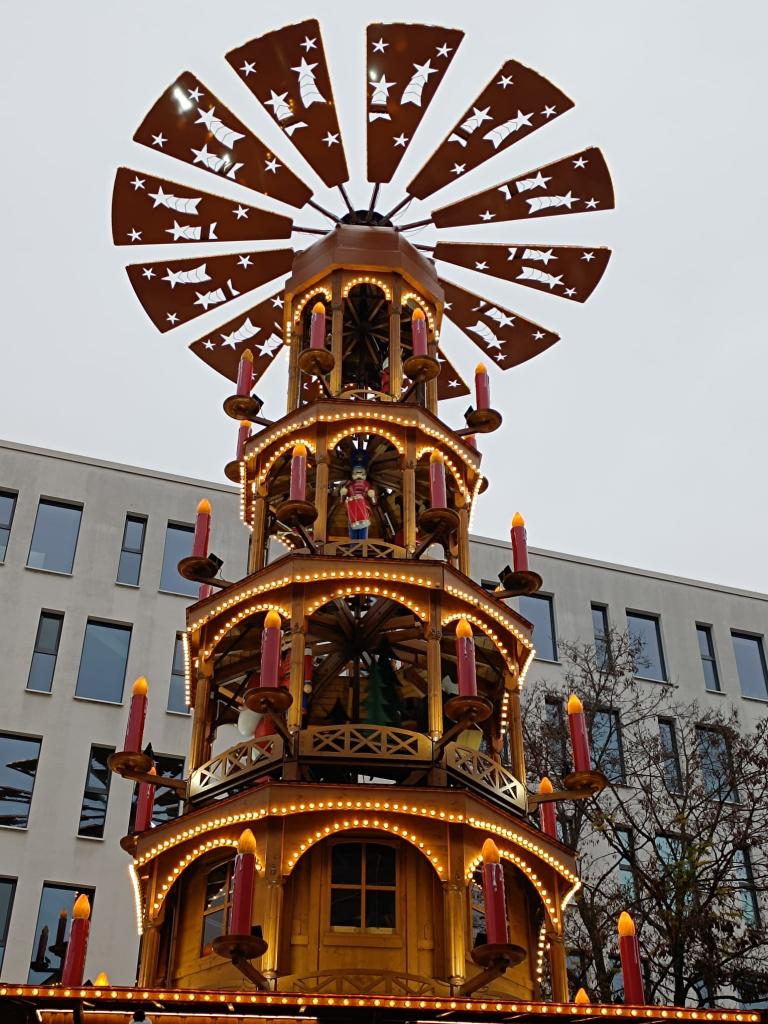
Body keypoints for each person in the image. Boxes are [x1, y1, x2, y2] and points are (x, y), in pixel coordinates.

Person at [340, 452, 376, 539]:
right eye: (356, 473)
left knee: (363, 532)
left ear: (365, 474)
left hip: (364, 509)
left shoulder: (368, 485)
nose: (358, 475)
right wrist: (342, 494)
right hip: (352, 510)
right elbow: (341, 501)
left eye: (361, 473)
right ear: (352, 474)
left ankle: (362, 545)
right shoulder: (349, 484)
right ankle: (354, 545)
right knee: (353, 532)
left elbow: (374, 502)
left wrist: (372, 496)